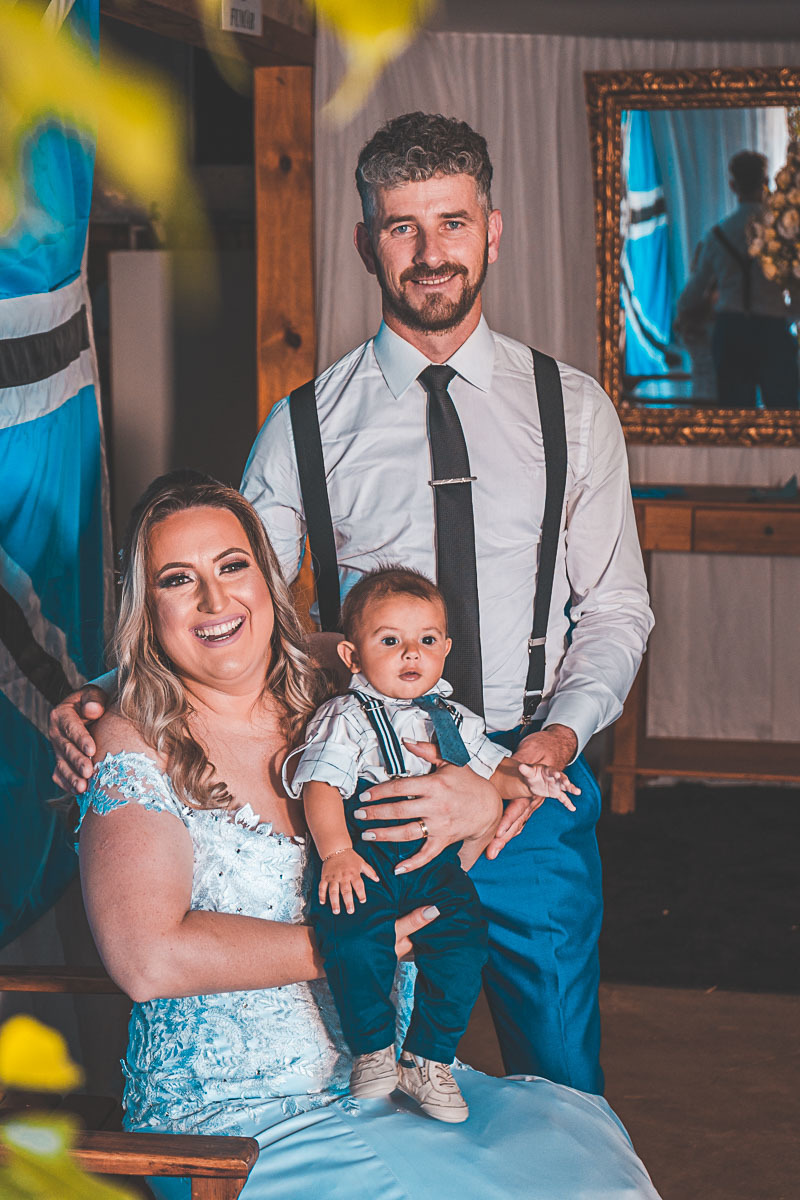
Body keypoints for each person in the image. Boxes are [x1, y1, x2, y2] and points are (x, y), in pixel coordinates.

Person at [50, 112, 654, 1097]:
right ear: (368, 239)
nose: (430, 253)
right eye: (401, 227)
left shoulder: (572, 409)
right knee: (391, 1056)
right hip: (365, 793)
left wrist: (545, 750)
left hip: (527, 795)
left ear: (491, 229)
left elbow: (616, 610)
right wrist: (101, 693)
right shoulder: (301, 426)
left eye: (451, 223)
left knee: (560, 1076)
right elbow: (228, 610)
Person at [76, 471, 660, 1199]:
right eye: (176, 579)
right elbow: (148, 959)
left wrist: (482, 802)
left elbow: (449, 822)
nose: (215, 600)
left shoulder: (338, 701)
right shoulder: (133, 743)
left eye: (233, 566)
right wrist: (354, 945)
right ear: (147, 608)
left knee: (583, 1164)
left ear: (268, 576)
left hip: (392, 1091)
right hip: (231, 1124)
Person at [290, 565, 578, 1122]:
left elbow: (496, 773)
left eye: (425, 641)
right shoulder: (345, 717)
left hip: (433, 863)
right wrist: (336, 853)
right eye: (390, 641)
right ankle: (372, 1048)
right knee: (354, 937)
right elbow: (321, 786)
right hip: (365, 854)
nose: (410, 654)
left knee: (465, 940)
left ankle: (427, 1057)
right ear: (352, 656)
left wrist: (532, 780)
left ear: (446, 648)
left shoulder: (455, 719)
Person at [676, 149, 800, 408]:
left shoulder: (717, 236)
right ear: (766, 183)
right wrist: (788, 313)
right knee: (784, 420)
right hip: (773, 332)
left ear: (733, 185)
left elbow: (690, 296)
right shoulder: (783, 234)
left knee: (735, 423)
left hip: (731, 332)